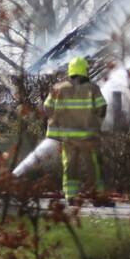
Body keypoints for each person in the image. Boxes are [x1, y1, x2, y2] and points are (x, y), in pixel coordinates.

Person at [43, 56, 107, 201]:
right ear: (85, 70)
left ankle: (70, 195)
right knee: (93, 165)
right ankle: (97, 195)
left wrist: (57, 121)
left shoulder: (58, 88)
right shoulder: (93, 88)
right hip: (88, 137)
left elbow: (47, 107)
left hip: (67, 138)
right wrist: (97, 123)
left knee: (69, 165)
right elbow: (102, 108)